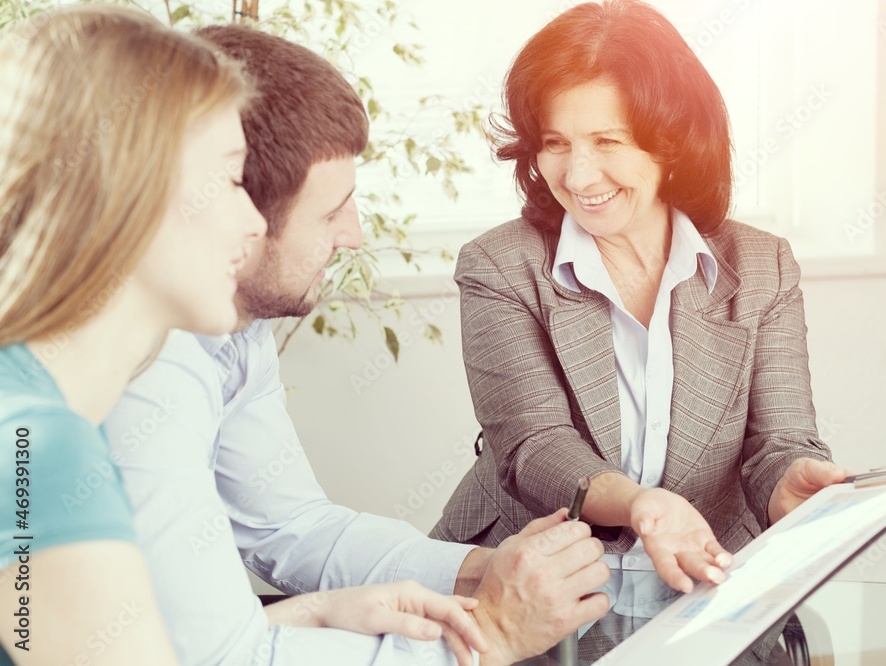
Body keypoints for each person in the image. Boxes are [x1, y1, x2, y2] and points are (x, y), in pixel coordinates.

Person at [103, 24, 609, 666]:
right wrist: (494, 639)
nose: (356, 235)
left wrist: (478, 571)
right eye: (332, 210)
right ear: (241, 217)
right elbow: (228, 659)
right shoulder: (144, 371)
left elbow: (290, 526)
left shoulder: (235, 326)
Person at [430, 0, 848, 595]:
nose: (577, 176)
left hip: (703, 585)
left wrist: (789, 481)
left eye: (607, 140)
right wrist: (641, 505)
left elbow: (777, 441)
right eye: (555, 142)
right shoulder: (500, 265)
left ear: (672, 141)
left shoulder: (763, 266)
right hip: (523, 579)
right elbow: (533, 448)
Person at [0, 5, 266, 664]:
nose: (255, 221)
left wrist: (308, 612)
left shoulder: (40, 414)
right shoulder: (42, 448)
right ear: (128, 184)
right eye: (233, 178)